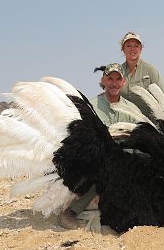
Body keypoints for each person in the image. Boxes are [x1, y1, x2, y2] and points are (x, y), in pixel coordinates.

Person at [58, 63, 138, 229]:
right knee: (105, 166)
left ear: (123, 82)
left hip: (123, 158)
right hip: (97, 158)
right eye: (110, 79)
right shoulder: (91, 106)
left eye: (118, 79)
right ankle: (71, 211)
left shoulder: (131, 110)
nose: (114, 83)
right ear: (103, 80)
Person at [119, 31, 164, 119]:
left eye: (136, 46)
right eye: (128, 46)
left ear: (141, 49)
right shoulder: (118, 72)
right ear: (123, 49)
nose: (132, 49)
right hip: (123, 123)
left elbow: (161, 100)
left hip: (148, 123)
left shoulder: (150, 70)